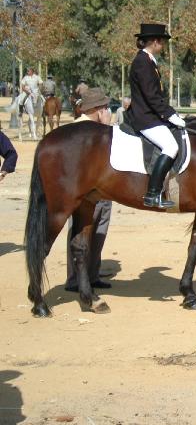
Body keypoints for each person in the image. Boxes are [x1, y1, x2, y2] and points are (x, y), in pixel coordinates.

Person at [127, 22, 185, 209]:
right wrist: (170, 115)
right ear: (155, 42)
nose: (164, 46)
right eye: (163, 42)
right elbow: (151, 96)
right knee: (171, 146)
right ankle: (152, 194)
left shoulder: (148, 61)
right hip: (145, 118)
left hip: (151, 115)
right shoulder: (142, 62)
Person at [64, 88, 114, 291]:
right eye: (105, 107)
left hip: (105, 191)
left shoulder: (100, 128)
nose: (108, 111)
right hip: (84, 193)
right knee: (79, 232)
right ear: (96, 109)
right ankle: (74, 279)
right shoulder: (77, 130)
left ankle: (92, 275)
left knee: (99, 232)